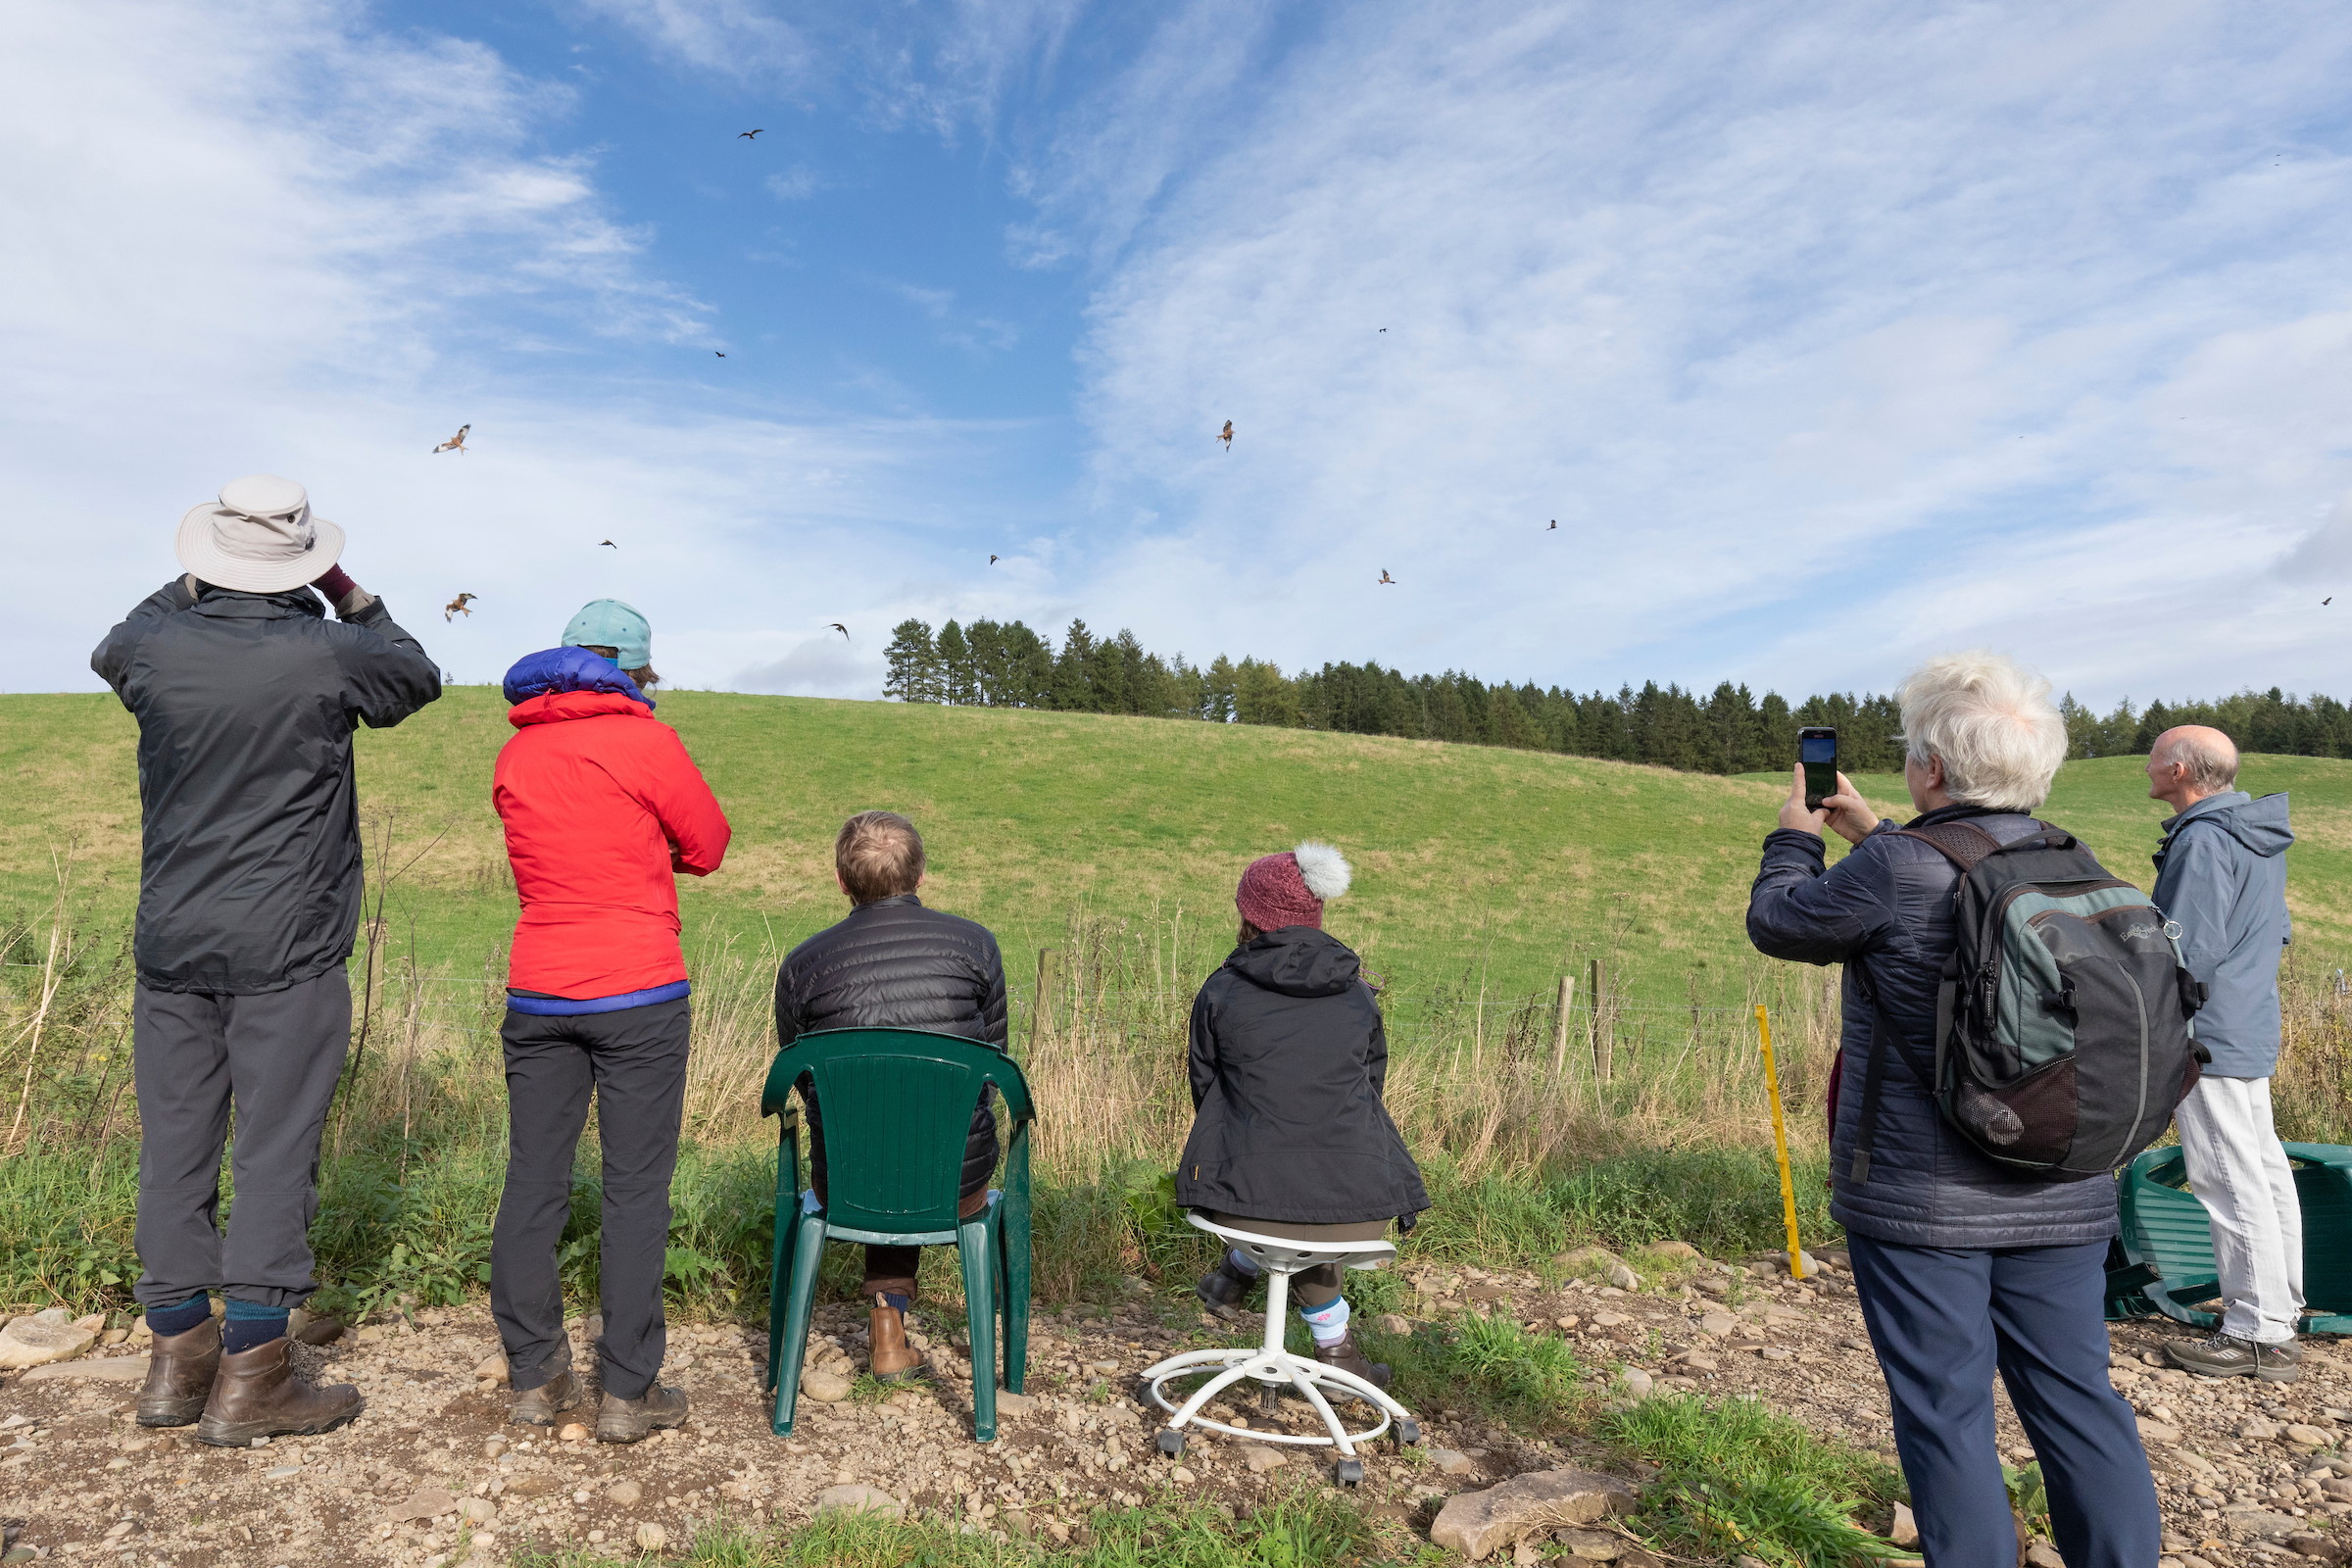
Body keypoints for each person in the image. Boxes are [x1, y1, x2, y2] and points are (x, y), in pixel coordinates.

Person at [1745, 653, 2160, 1568]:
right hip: (2066, 1181)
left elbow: (1780, 921)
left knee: (1946, 1410)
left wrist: (1794, 837)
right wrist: (1880, 830)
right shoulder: (2069, 856)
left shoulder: (1893, 867)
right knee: (2078, 1397)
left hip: (1924, 1197)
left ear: (1930, 767)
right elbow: (1957, 886)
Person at [91, 474, 440, 1445]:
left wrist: (192, 579)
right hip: (287, 944)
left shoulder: (157, 644)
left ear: (205, 559)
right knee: (275, 1148)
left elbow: (111, 645)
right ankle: (254, 1371)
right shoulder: (329, 650)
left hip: (171, 941)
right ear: (303, 556)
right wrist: (346, 586)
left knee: (175, 1148)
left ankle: (174, 1354)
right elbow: (414, 673)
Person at [487, 602, 731, 1443]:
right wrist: (645, 849)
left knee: (533, 1179)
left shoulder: (516, 751)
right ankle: (628, 1391)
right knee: (634, 1189)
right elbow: (707, 844)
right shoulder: (646, 741)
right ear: (633, 669)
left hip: (539, 990)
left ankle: (534, 1374)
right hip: (638, 992)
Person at [772, 811, 1009, 1382]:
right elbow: (992, 1064)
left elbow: (802, 1077)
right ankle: (895, 1333)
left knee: (880, 1141)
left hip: (848, 1179)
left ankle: (886, 1327)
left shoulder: (803, 964)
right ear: (920, 875)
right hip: (957, 1179)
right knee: (918, 1141)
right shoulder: (975, 945)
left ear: (841, 881)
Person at [1181, 844, 1426, 1388]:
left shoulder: (1221, 991)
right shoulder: (1359, 997)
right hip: (1361, 1211)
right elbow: (1369, 1094)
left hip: (1239, 1200)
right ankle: (1335, 1347)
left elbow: (1206, 1092)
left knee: (1285, 1187)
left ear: (1250, 915)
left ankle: (1238, 1270)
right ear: (1316, 912)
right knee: (1318, 1184)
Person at [2144, 725, 2302, 1379]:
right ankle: (2279, 1310)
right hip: (2246, 1020)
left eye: (2154, 761)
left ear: (2181, 771)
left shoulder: (2205, 839)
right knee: (2261, 1169)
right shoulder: (2252, 833)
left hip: (2208, 1030)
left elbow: (2184, 951)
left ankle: (2257, 1332)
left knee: (2226, 1175)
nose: (2144, 770)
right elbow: (2275, 931)